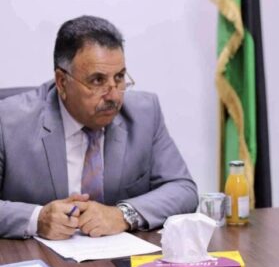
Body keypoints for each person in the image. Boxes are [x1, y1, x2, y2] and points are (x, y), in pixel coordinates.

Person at [0, 15, 198, 240]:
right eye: (97, 80)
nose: (114, 95)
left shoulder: (144, 114)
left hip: (118, 257)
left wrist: (123, 215)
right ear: (62, 82)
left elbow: (183, 189)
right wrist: (37, 218)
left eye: (119, 77)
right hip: (34, 256)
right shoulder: (8, 122)